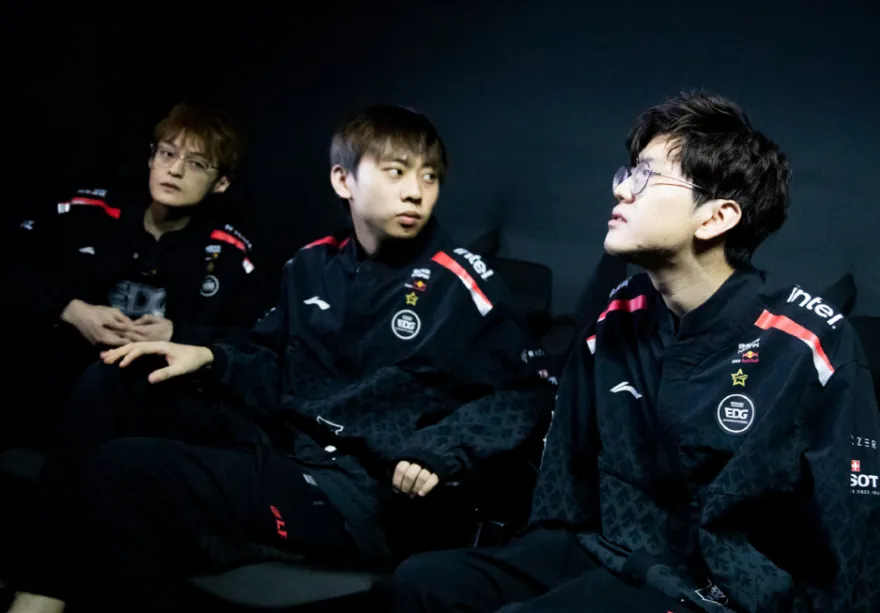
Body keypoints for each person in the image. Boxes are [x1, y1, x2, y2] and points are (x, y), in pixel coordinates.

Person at [5, 105, 554, 613]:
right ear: (343, 180)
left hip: (357, 491)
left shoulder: (462, 283)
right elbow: (271, 365)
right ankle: (40, 591)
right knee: (115, 379)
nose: (415, 192)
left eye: (429, 177)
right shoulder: (312, 264)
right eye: (396, 172)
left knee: (126, 474)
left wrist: (441, 450)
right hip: (278, 442)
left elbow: (529, 394)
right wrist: (210, 357)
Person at [388, 92, 880, 613]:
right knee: (423, 583)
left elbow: (857, 537)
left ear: (715, 218)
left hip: (720, 587)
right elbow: (566, 485)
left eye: (647, 176)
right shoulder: (618, 315)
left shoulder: (808, 342)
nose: (621, 190)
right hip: (612, 552)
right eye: (627, 173)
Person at [1, 102, 269, 448]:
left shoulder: (232, 253)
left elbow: (258, 342)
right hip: (56, 384)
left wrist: (178, 333)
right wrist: (70, 309)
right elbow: (10, 271)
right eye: (167, 153)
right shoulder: (86, 214)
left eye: (197, 164)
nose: (175, 170)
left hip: (158, 405)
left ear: (221, 183)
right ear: (151, 158)